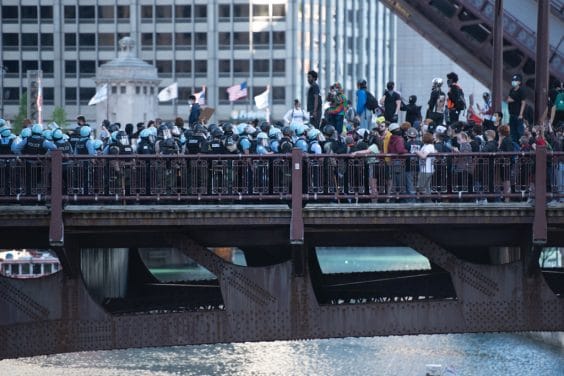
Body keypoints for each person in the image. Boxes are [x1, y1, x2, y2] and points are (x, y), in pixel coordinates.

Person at [415, 132, 436, 201]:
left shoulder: (429, 146)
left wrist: (416, 152)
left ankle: (427, 201)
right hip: (425, 169)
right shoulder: (426, 145)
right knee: (426, 187)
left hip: (426, 170)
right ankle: (428, 202)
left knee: (420, 187)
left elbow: (423, 156)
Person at [507, 74, 527, 143]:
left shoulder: (522, 90)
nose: (513, 82)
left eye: (515, 81)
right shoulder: (511, 90)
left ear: (519, 82)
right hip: (511, 114)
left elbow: (523, 103)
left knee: (520, 132)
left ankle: (522, 146)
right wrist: (516, 99)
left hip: (518, 115)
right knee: (513, 133)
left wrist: (521, 114)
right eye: (513, 80)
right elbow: (508, 99)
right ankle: (515, 147)